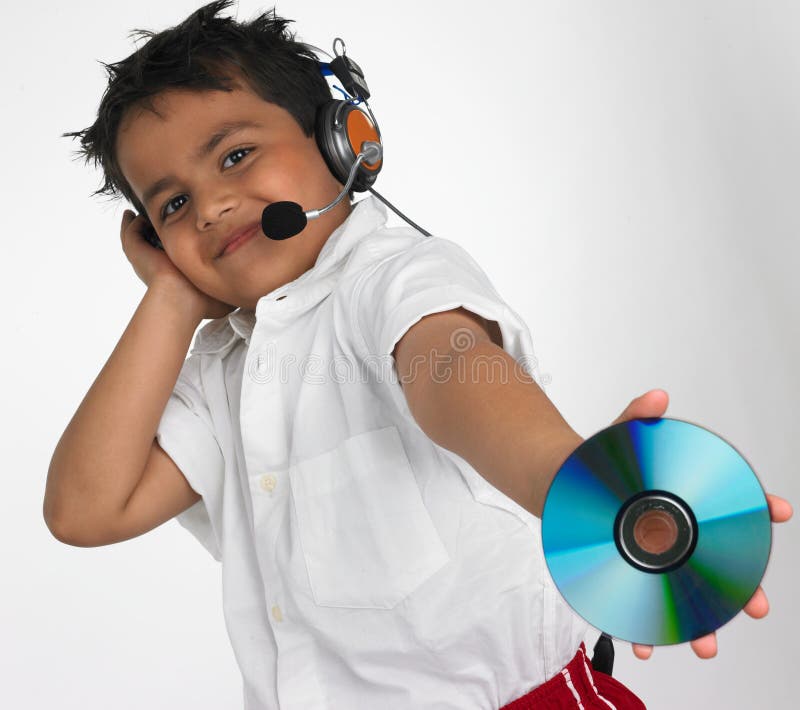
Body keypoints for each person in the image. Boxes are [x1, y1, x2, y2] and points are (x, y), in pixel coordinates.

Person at [43, 2, 792, 708]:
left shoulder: (395, 278)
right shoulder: (216, 371)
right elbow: (85, 509)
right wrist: (170, 301)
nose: (208, 207)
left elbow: (453, 371)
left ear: (345, 139)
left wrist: (592, 493)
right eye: (171, 205)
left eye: (236, 155)